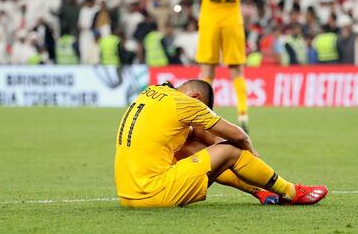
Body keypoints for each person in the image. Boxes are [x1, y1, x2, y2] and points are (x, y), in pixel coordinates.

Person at [114, 79, 328, 208]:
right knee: (231, 150)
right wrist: (252, 155)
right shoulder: (186, 103)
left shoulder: (152, 93)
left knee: (193, 147)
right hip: (153, 194)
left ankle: (261, 191)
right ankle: (290, 192)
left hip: (128, 194)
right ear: (195, 97)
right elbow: (239, 136)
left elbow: (201, 137)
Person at [196, 0, 250, 132]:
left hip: (210, 20)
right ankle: (243, 114)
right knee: (237, 70)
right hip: (233, 21)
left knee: (207, 71)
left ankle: (202, 114)